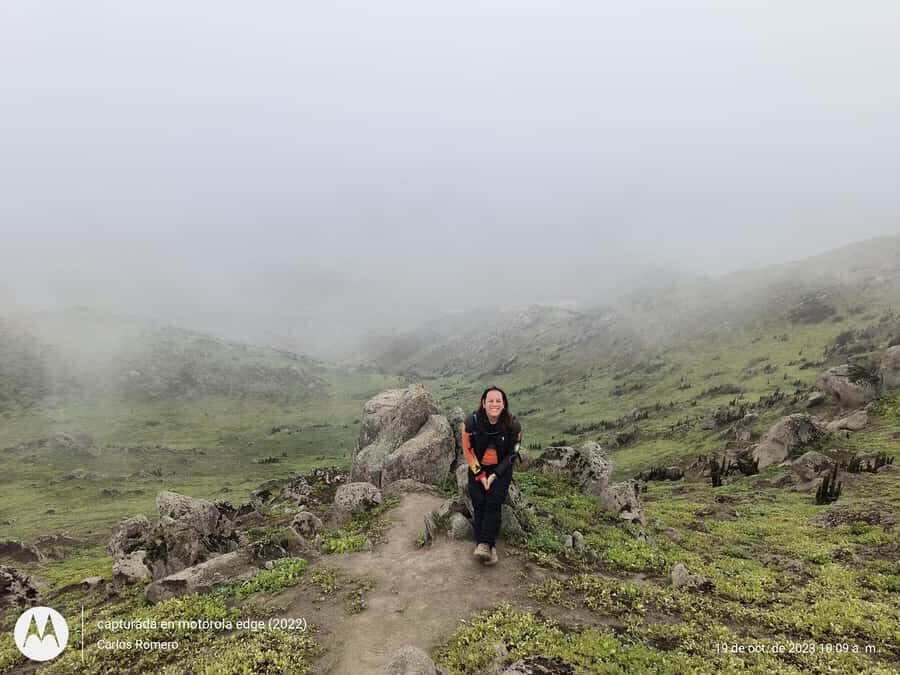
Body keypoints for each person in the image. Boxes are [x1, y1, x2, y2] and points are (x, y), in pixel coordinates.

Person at [461, 385, 525, 566]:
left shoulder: (514, 425)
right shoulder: (471, 422)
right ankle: (488, 546)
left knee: (494, 501)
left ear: (504, 404)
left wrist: (495, 475)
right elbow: (467, 450)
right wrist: (481, 475)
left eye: (498, 401)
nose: (494, 404)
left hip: (501, 469)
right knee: (479, 500)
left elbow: (512, 454)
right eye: (490, 400)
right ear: (483, 403)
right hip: (478, 467)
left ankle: (484, 544)